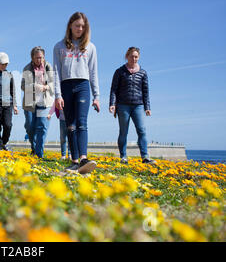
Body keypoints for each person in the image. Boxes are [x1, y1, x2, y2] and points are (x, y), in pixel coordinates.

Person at [53, 12, 100, 174]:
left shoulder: (90, 47)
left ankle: (83, 158)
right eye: (77, 25)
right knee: (70, 125)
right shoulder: (59, 47)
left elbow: (94, 72)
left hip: (83, 85)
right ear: (70, 26)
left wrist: (97, 96)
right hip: (66, 86)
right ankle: (74, 161)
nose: (80, 29)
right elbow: (56, 73)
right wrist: (57, 95)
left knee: (81, 123)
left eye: (82, 26)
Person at [109, 47, 154, 164]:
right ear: (127, 56)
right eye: (131, 56)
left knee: (142, 130)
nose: (133, 59)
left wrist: (147, 107)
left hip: (138, 105)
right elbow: (113, 89)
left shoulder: (143, 73)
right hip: (123, 106)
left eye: (136, 57)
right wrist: (112, 104)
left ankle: (145, 157)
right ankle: (123, 156)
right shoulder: (119, 71)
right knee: (123, 131)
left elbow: (146, 91)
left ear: (138, 58)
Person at [21, 46, 54, 159]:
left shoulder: (48, 67)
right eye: (37, 58)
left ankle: (39, 155)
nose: (40, 60)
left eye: (42, 57)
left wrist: (46, 87)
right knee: (30, 127)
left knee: (42, 127)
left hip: (44, 104)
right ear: (32, 58)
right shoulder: (27, 68)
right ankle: (34, 147)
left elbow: (53, 84)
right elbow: (23, 86)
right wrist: (34, 86)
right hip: (30, 104)